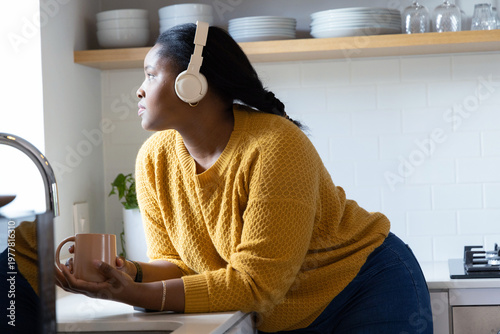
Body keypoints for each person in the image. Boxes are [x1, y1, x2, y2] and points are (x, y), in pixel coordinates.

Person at [55, 22, 433, 333]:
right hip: (282, 310)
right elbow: (179, 265)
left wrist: (135, 296)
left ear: (193, 84)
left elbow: (256, 285)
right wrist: (126, 274)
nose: (138, 89)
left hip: (363, 285)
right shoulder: (154, 159)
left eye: (152, 75)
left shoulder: (275, 146)